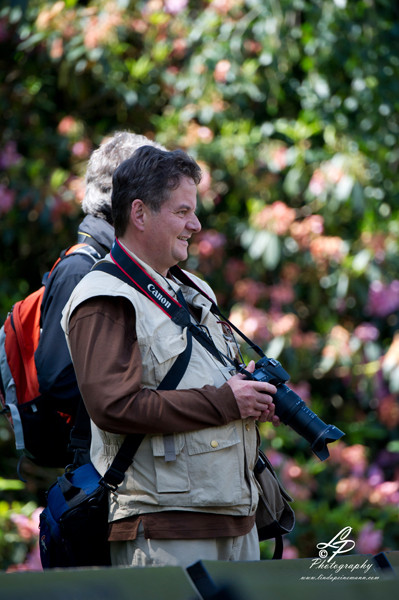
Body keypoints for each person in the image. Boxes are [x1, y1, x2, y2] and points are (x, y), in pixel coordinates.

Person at [61, 145, 279, 567]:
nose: (195, 225)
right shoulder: (103, 296)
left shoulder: (195, 289)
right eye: (183, 213)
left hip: (237, 521)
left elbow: (208, 387)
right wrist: (225, 401)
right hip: (165, 532)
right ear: (140, 214)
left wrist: (249, 395)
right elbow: (113, 406)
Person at [34, 131, 164, 466]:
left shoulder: (123, 265)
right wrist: (132, 397)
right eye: (160, 189)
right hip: (95, 462)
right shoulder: (82, 269)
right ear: (131, 198)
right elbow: (57, 378)